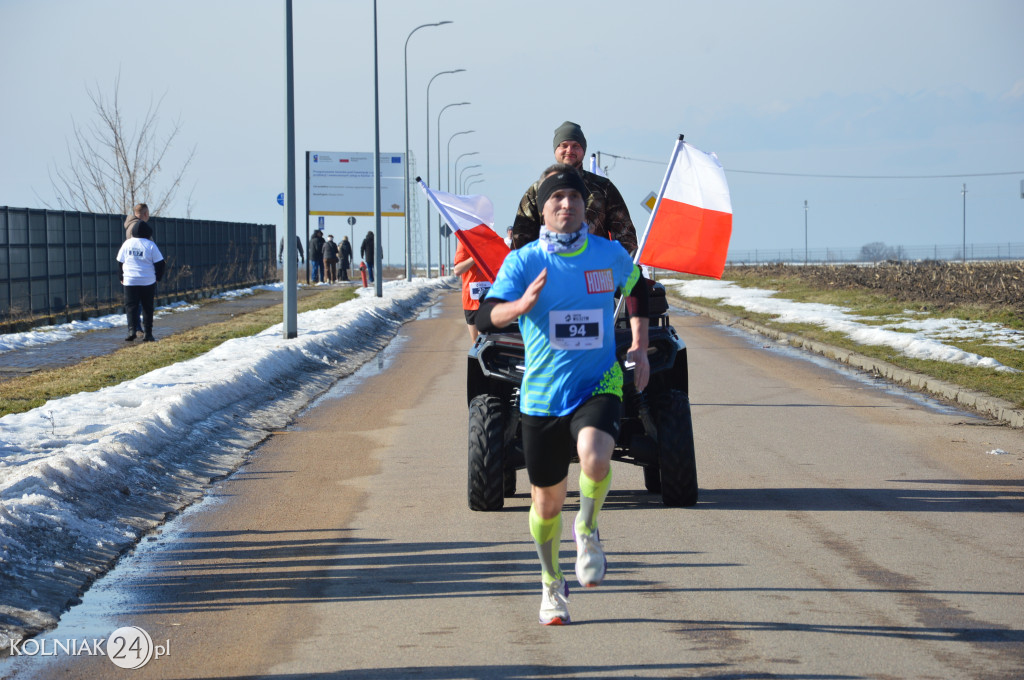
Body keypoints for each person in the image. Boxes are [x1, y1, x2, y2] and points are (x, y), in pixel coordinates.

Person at [476, 165, 650, 625]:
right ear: (544, 210)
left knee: (595, 455)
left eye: (573, 198)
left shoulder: (608, 254)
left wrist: (640, 346)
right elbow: (483, 317)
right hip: (542, 398)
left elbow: (639, 290)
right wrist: (519, 306)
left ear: (584, 207)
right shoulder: (525, 261)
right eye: (556, 200)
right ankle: (551, 583)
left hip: (598, 383)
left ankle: (588, 529)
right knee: (546, 504)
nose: (566, 206)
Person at [510, 121, 638, 255]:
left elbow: (625, 235)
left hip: (594, 270)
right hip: (550, 269)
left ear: (583, 150)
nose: (569, 151)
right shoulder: (537, 191)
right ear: (556, 150)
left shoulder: (603, 188)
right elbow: (521, 240)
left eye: (576, 146)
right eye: (564, 146)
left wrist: (625, 267)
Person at [116, 219, 165, 342]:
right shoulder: (150, 245)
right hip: (147, 280)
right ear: (148, 233)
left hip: (130, 280)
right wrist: (157, 278)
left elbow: (120, 262)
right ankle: (148, 334)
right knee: (147, 307)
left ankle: (132, 330)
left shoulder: (127, 244)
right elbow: (160, 263)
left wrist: (121, 277)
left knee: (131, 306)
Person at [453, 241, 492, 343]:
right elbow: (457, 270)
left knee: (486, 340)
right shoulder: (464, 242)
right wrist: (475, 257)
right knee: (476, 343)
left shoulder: (490, 240)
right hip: (471, 300)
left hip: (489, 299)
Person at [123, 203, 151, 331]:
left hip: (130, 269)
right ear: (145, 214)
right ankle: (137, 328)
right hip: (140, 269)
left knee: (133, 302)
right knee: (139, 302)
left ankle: (135, 328)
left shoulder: (130, 225)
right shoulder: (139, 227)